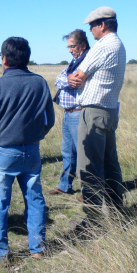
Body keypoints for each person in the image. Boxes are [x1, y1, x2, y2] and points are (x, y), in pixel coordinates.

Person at [0, 37, 55, 262]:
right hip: (31, 150)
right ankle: (38, 248)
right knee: (35, 198)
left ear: (3, 59)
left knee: (0, 203)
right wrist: (36, 136)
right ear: (27, 57)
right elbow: (49, 119)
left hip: (3, 151)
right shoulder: (39, 83)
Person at [68, 6, 127, 227]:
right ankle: (116, 211)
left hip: (93, 112)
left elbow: (77, 75)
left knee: (89, 167)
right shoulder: (119, 45)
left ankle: (93, 221)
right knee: (110, 163)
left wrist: (79, 78)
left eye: (93, 26)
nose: (91, 31)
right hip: (110, 110)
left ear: (102, 25)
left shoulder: (103, 46)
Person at [47, 29, 90, 201]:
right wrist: (67, 80)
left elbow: (76, 81)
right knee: (67, 152)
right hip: (68, 113)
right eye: (69, 47)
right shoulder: (74, 62)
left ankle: (88, 191)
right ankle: (65, 185)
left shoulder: (87, 61)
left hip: (78, 112)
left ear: (82, 45)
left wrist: (67, 80)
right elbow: (59, 79)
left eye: (72, 46)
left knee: (83, 154)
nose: (70, 50)